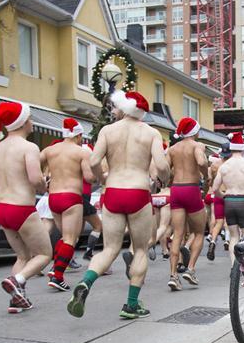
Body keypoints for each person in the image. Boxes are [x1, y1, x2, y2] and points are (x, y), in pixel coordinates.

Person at [67, 91, 169, 319]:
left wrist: (102, 179)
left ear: (124, 107)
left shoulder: (107, 130)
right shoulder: (151, 132)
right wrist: (164, 178)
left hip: (113, 191)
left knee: (110, 248)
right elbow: (161, 166)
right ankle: (131, 304)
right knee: (141, 249)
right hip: (138, 191)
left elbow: (93, 161)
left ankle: (86, 282)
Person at [0, 101, 53, 312]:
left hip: (2, 208)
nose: (32, 122)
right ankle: (18, 280)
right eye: (30, 118)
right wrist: (44, 184)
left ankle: (16, 300)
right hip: (21, 207)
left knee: (22, 256)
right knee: (44, 254)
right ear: (23, 121)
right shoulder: (29, 147)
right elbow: (35, 179)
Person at [40, 118, 95, 291]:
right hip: (71, 197)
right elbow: (89, 178)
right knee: (71, 239)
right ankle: (57, 277)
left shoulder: (49, 151)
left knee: (65, 237)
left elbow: (36, 167)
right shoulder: (81, 152)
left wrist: (45, 179)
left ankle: (56, 269)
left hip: (53, 197)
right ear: (78, 136)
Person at [165, 117, 209, 291]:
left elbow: (164, 168)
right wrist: (205, 175)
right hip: (191, 189)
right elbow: (202, 162)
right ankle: (190, 269)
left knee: (177, 233)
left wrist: (165, 181)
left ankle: (173, 275)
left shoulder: (172, 149)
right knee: (199, 232)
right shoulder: (197, 146)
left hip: (176, 189)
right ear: (195, 132)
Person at [211, 133, 244, 264]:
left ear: (231, 148)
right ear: (243, 148)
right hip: (243, 200)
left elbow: (215, 188)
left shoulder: (224, 166)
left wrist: (223, 196)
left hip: (229, 201)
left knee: (233, 236)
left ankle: (234, 266)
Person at [205, 145, 231, 260]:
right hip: (229, 193)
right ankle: (227, 239)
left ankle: (213, 240)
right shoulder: (232, 164)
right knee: (228, 221)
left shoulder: (215, 165)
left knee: (218, 221)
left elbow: (209, 181)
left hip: (217, 194)